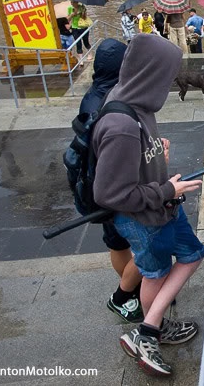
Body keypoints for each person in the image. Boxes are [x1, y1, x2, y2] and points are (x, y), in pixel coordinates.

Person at [92, 34, 204, 377]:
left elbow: (134, 159)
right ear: (150, 74)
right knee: (154, 272)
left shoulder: (133, 101)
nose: (171, 82)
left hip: (164, 206)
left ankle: (152, 325)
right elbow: (110, 194)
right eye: (168, 75)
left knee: (193, 254)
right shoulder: (122, 126)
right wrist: (166, 190)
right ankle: (148, 333)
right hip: (144, 219)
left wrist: (156, 152)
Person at [77, 38, 144, 324]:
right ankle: (124, 294)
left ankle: (133, 290)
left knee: (117, 244)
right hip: (116, 188)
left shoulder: (91, 95)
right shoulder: (113, 102)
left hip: (92, 184)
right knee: (149, 246)